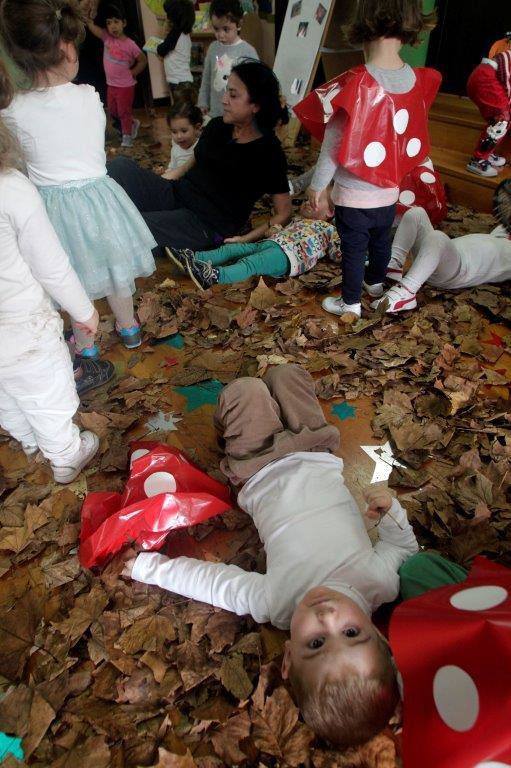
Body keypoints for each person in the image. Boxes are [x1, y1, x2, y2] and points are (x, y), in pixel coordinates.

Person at [123, 364, 419, 749]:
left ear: (289, 658)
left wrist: (152, 569)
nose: (328, 617)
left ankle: (236, 425)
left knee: (244, 391)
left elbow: (214, 584)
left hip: (258, 469)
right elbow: (402, 547)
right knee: (289, 376)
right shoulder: (378, 583)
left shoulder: (278, 603)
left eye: (316, 643)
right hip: (316, 452)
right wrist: (392, 513)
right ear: (378, 634)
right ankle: (274, 394)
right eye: (350, 633)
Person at [0, 0, 157, 357]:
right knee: (115, 266)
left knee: (74, 274)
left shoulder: (13, 111)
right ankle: (129, 326)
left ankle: (86, 346)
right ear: (64, 49)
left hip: (53, 208)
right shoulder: (89, 96)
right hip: (102, 200)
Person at [294, 0, 440, 319]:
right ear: (410, 26)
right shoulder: (417, 82)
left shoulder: (355, 83)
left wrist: (317, 187)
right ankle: (375, 283)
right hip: (389, 194)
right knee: (380, 241)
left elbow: (333, 145)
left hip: (354, 196)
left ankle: (350, 303)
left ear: (363, 25)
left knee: (354, 248)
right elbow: (410, 144)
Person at [0, 62, 99, 484]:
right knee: (47, 387)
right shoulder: (12, 190)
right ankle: (65, 454)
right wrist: (83, 311)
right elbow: (51, 264)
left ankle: (27, 439)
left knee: (7, 392)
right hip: (21, 322)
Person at [107, 60, 292, 251]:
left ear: (256, 105)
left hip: (204, 224)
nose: (224, 99)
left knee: (130, 226)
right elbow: (190, 164)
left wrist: (247, 238)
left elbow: (284, 212)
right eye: (226, 91)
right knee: (120, 167)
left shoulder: (269, 152)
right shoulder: (218, 126)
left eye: (233, 95)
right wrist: (156, 182)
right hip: (177, 194)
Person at [167, 194, 339, 288]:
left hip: (290, 257)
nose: (308, 202)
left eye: (316, 201)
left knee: (250, 263)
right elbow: (281, 230)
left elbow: (338, 252)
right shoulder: (297, 220)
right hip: (272, 244)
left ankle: (213, 276)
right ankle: (194, 258)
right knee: (231, 249)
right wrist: (276, 230)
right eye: (307, 198)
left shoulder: (329, 230)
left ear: (330, 213)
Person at [371, 206, 511, 313]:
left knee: (436, 237)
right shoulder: (501, 234)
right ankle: (394, 264)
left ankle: (407, 291)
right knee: (416, 213)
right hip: (437, 255)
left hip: (457, 269)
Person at [85, 3, 147, 148]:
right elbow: (93, 28)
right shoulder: (107, 38)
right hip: (111, 84)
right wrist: (88, 20)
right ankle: (133, 123)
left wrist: (133, 72)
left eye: (116, 22)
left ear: (124, 23)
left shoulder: (130, 44)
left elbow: (142, 60)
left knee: (124, 112)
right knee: (113, 111)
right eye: (109, 23)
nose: (113, 26)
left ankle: (127, 137)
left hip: (125, 86)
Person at [197, 0, 258, 118]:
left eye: (226, 29)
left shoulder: (248, 51)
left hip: (239, 117)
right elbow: (206, 79)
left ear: (239, 24)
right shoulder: (212, 48)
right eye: (216, 29)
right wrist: (202, 102)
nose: (220, 35)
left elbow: (255, 85)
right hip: (215, 114)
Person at [466, 50, 511, 177]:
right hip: (486, 78)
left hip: (485, 76)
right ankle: (477, 161)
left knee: (497, 120)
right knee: (502, 119)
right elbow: (507, 81)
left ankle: (486, 154)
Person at [157, 0, 195, 104]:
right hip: (184, 80)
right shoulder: (184, 34)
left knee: (180, 112)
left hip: (178, 82)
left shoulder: (175, 34)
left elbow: (161, 49)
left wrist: (157, 45)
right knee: (184, 110)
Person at [163, 100, 203, 181]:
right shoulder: (175, 149)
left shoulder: (201, 146)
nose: (179, 136)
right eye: (174, 132)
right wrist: (166, 172)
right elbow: (172, 168)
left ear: (197, 128)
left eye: (184, 131)